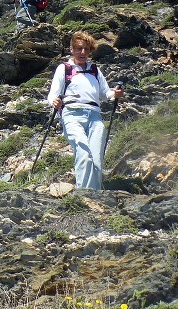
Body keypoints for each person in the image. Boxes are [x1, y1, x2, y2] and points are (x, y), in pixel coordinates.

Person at [46, 31, 124, 190]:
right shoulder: (65, 68)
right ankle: (87, 196)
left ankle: (94, 195)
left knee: (96, 159)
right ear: (72, 49)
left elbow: (105, 93)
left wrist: (114, 94)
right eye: (79, 49)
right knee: (83, 152)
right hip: (72, 114)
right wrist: (54, 101)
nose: (82, 53)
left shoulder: (94, 69)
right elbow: (53, 94)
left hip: (95, 116)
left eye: (86, 49)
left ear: (90, 51)